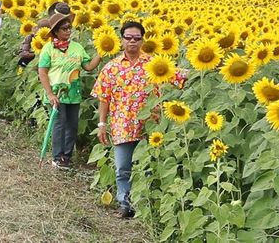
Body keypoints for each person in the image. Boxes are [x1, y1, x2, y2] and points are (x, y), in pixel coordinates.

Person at [91, 21, 187, 218]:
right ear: (122, 39)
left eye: (137, 38)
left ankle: (146, 205)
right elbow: (104, 98)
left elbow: (179, 79)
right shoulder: (111, 68)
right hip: (122, 125)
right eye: (128, 38)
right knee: (122, 168)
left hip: (150, 126)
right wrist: (102, 124)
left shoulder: (155, 63)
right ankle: (125, 205)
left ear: (142, 40)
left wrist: (195, 72)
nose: (132, 42)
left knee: (148, 166)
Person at [38, 12, 101, 169]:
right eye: (64, 28)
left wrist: (102, 53)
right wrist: (50, 94)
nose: (68, 31)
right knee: (59, 124)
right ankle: (57, 156)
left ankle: (66, 156)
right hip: (56, 93)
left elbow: (88, 66)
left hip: (73, 93)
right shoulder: (48, 49)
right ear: (56, 32)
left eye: (69, 27)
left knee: (72, 124)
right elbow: (42, 72)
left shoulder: (77, 47)